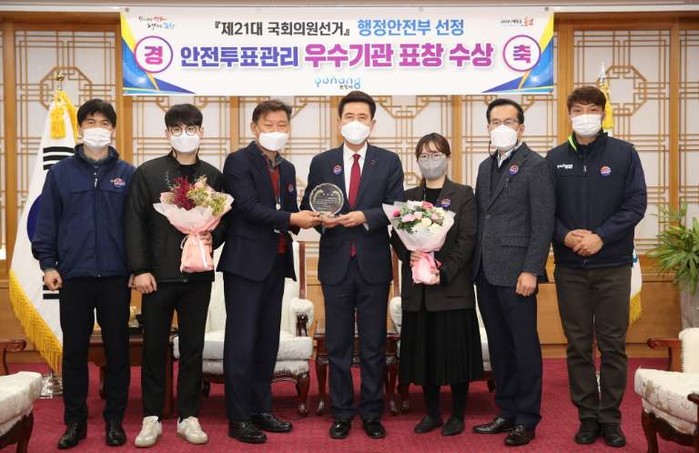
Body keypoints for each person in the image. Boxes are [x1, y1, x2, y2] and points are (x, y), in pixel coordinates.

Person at [546, 86, 646, 448]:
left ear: (603, 114)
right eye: (578, 110)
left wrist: (601, 236)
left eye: (591, 109)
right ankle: (587, 417)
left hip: (613, 265)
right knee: (578, 345)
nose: (584, 115)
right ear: (568, 115)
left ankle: (611, 418)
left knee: (613, 345)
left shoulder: (624, 154)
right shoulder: (554, 159)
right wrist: (565, 236)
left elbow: (636, 205)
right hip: (570, 267)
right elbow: (544, 211)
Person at [301, 90, 404, 440]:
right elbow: (310, 205)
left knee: (374, 345)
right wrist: (321, 220)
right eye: (349, 117)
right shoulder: (322, 161)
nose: (355, 123)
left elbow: (396, 207)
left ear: (372, 123)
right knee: (338, 344)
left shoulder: (388, 161)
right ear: (339, 121)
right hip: (336, 266)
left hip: (373, 265)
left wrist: (365, 216)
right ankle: (342, 412)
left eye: (362, 117)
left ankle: (372, 412)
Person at [31, 98, 134, 449]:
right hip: (73, 276)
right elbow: (47, 222)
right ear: (79, 128)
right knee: (74, 351)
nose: (97, 128)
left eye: (104, 123)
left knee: (117, 351)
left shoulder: (128, 173)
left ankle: (114, 420)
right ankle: (75, 421)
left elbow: (136, 226)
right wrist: (48, 264)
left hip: (116, 277)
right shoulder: (60, 173)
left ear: (113, 129)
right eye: (90, 122)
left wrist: (137, 268)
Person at [217, 100, 320, 444]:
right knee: (241, 343)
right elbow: (246, 207)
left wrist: (315, 215)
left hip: (277, 263)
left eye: (282, 125)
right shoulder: (238, 161)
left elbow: (289, 212)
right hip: (245, 265)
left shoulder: (287, 169)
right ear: (254, 127)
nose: (276, 131)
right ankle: (238, 417)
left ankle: (261, 409)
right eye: (269, 124)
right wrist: (293, 218)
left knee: (266, 343)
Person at [124, 103, 225, 448]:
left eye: (191, 128)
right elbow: (134, 222)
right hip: (157, 277)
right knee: (153, 348)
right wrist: (140, 269)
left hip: (197, 277)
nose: (185, 135)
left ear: (201, 132)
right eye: (178, 129)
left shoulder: (212, 176)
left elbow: (225, 222)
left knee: (193, 348)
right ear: (167, 134)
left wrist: (213, 236)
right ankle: (151, 417)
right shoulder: (148, 173)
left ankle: (189, 416)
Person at [472, 98, 555, 447]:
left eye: (508, 122)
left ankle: (526, 418)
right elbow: (483, 217)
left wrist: (531, 269)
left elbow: (543, 223)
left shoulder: (536, 165)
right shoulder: (485, 166)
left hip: (518, 272)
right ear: (488, 128)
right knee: (500, 347)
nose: (501, 127)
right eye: (495, 122)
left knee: (523, 346)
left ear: (521, 128)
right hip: (485, 271)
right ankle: (506, 410)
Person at [390, 133, 483, 437]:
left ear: (447, 157)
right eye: (424, 155)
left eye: (436, 154)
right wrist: (410, 254)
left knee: (455, 355)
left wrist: (444, 269)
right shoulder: (408, 197)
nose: (430, 160)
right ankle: (432, 413)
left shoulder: (463, 194)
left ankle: (457, 414)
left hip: (451, 289)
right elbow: (396, 237)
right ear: (417, 160)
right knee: (425, 355)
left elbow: (467, 238)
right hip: (418, 291)